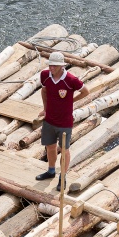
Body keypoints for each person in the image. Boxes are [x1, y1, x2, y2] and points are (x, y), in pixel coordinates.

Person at [36, 52, 90, 191]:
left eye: (54, 65)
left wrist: (71, 101)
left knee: (65, 149)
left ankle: (63, 176)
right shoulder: (45, 75)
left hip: (65, 122)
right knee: (50, 146)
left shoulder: (71, 79)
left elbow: (86, 92)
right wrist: (45, 109)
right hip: (49, 120)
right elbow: (44, 91)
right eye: (50, 64)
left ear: (61, 66)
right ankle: (51, 170)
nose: (51, 67)